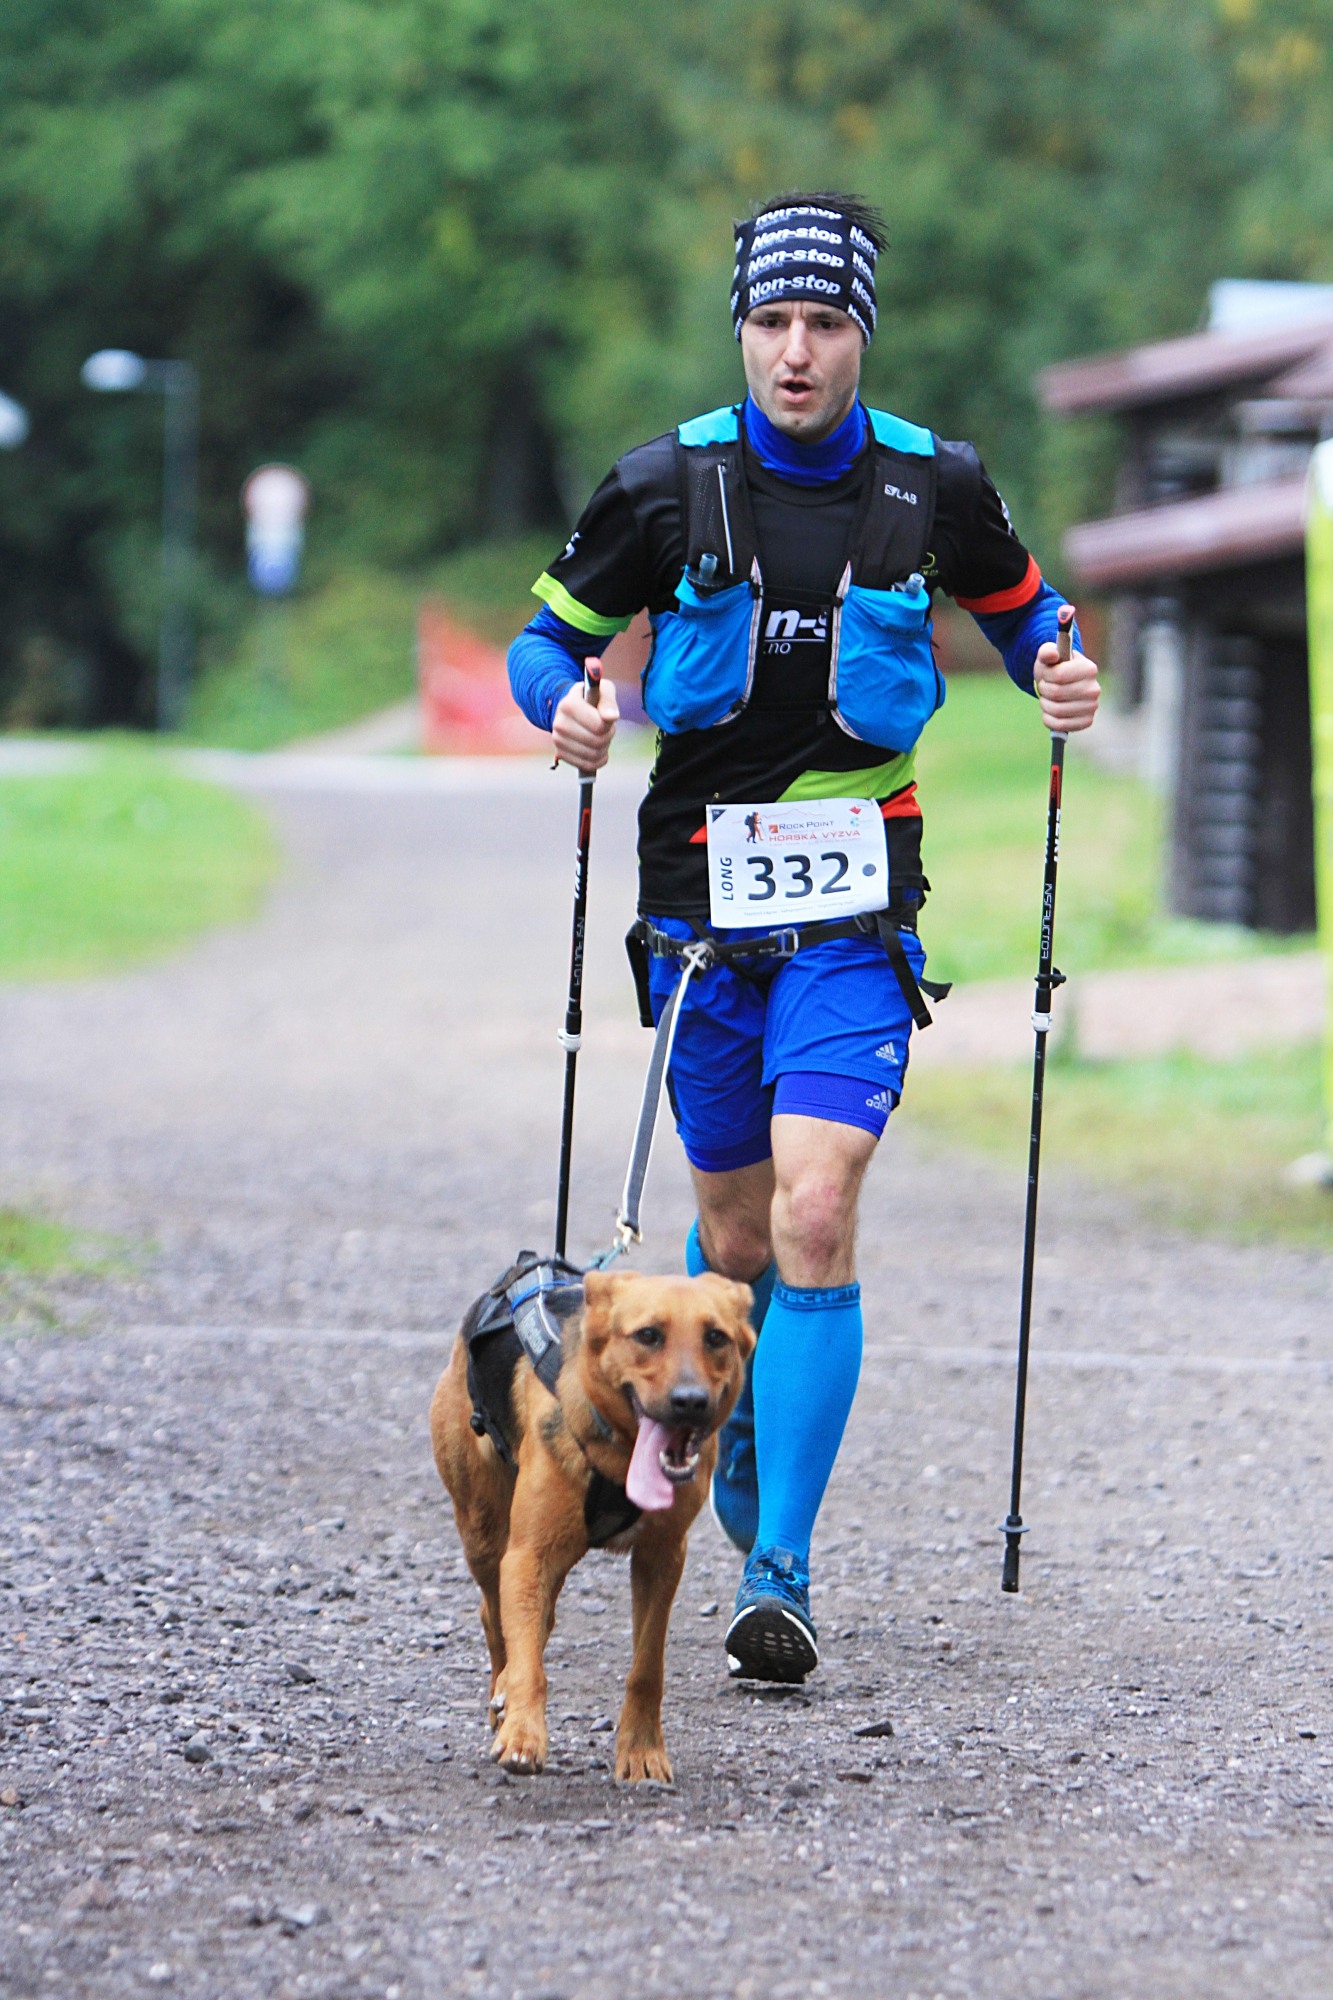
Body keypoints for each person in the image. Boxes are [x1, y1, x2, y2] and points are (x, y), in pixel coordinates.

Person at [507, 191, 1099, 1684]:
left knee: (819, 1210)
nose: (794, 350)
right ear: (742, 334)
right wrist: (562, 708)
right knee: (733, 1247)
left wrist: (1058, 672)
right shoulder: (663, 484)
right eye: (771, 322)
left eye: (822, 323)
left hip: (851, 916)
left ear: (858, 339)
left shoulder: (933, 486)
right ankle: (730, 1475)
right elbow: (545, 642)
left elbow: (1035, 617)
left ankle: (780, 1568)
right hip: (700, 920)